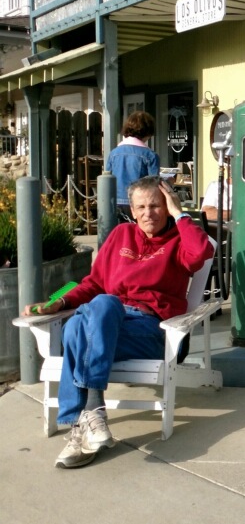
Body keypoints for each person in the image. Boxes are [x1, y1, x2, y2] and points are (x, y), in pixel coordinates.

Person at [22, 176, 213, 469]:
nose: (149, 212)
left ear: (168, 206)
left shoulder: (179, 241)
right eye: (141, 206)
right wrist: (55, 301)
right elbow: (92, 282)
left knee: (84, 320)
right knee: (86, 316)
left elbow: (201, 252)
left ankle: (82, 418)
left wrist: (180, 213)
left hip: (152, 331)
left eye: (156, 205)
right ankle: (90, 421)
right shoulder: (121, 235)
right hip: (107, 325)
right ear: (133, 211)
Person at [105, 111, 159, 221]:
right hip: (139, 203)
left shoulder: (114, 153)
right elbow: (153, 184)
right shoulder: (150, 155)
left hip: (114, 201)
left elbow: (107, 179)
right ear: (148, 132)